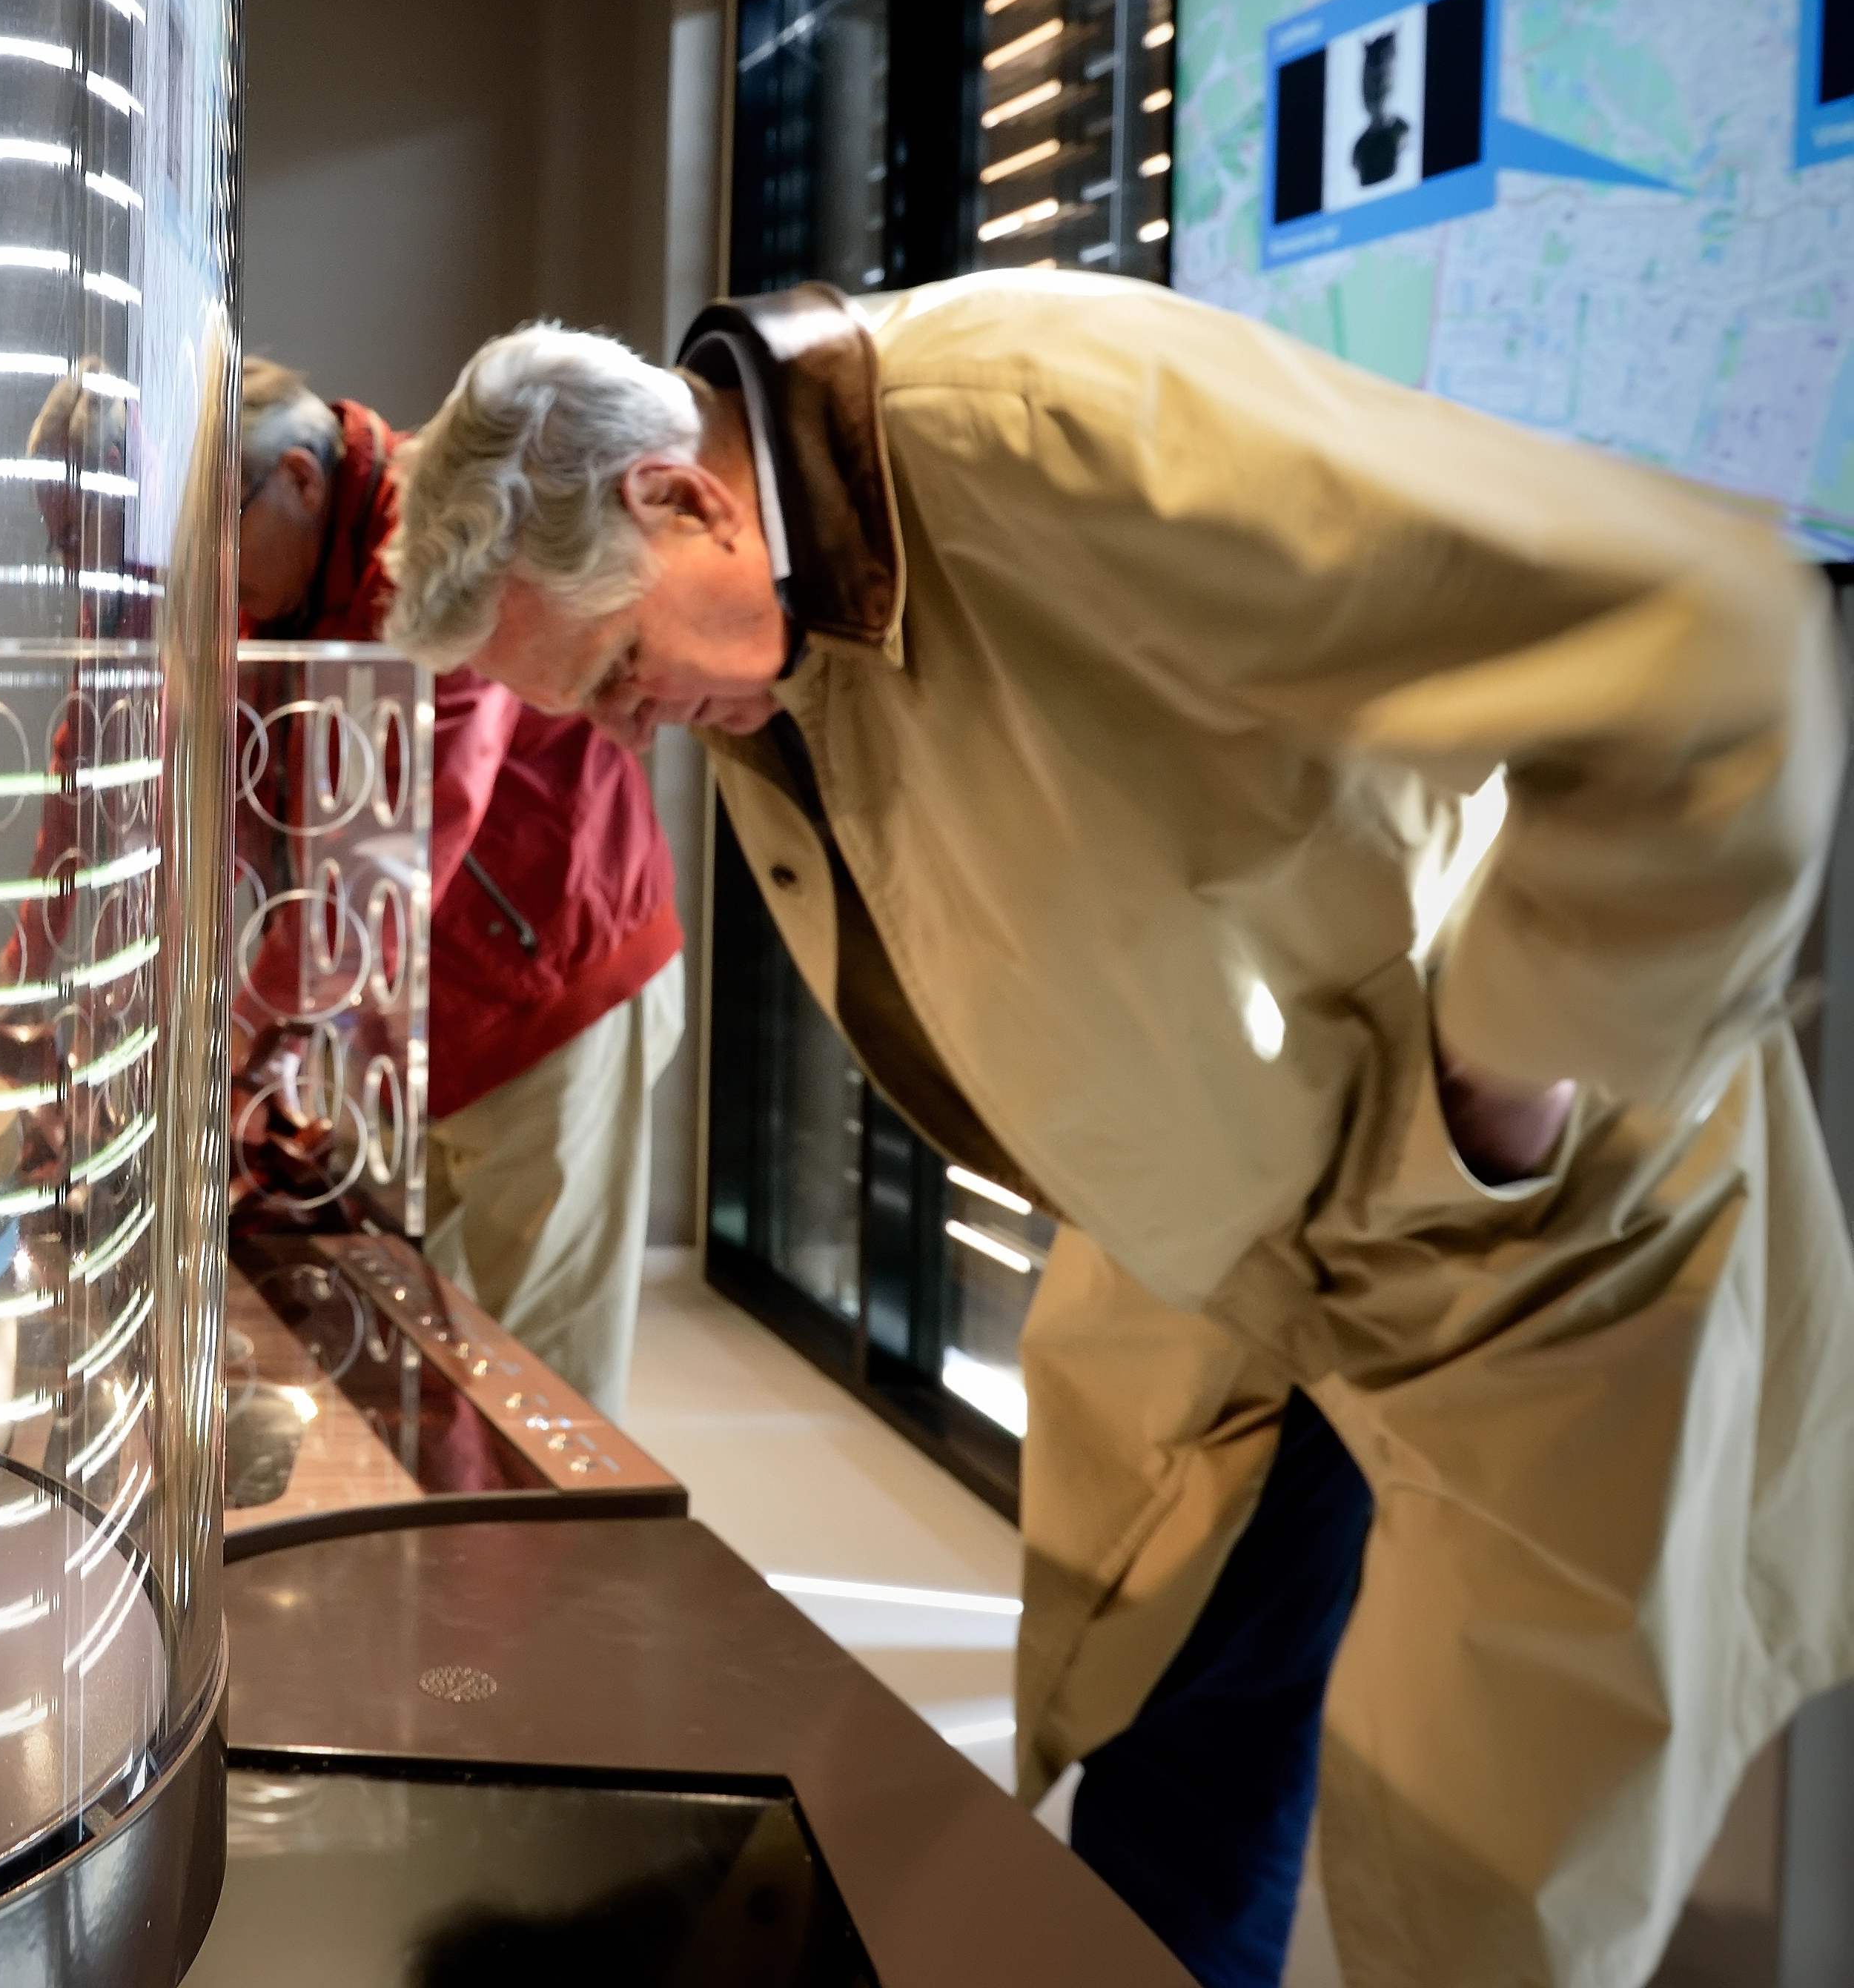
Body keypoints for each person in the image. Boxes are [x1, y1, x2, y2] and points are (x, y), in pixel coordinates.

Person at [380, 274, 1854, 1988]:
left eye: (620, 669)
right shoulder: (786, 626)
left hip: (1514, 1232)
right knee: (1151, 1730)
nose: (632, 731)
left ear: (682, 495)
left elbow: (1697, 627)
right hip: (1233, 1246)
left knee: (1483, 1895)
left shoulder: (1043, 423)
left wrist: (1511, 1071)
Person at [235, 357, 683, 1425]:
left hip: (552, 995)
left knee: (541, 1383)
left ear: (298, 479)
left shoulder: (433, 539)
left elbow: (399, 842)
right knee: (438, 1352)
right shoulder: (279, 583)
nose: (206, 582)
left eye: (212, 544)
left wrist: (251, 1030)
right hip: (411, 1012)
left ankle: (551, 1591)